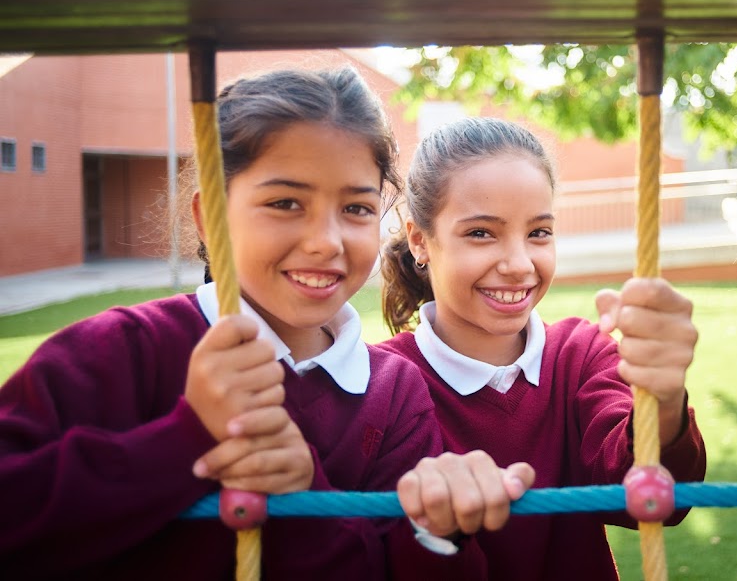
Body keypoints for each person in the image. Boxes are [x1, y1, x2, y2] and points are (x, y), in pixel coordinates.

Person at [0, 67, 532, 580]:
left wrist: (313, 502)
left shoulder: (393, 395)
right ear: (209, 218)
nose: (326, 241)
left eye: (356, 208)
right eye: (285, 202)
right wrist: (185, 438)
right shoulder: (121, 351)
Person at [377, 116, 707, 581]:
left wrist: (664, 398)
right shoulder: (382, 382)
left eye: (538, 232)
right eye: (481, 233)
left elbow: (651, 497)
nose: (519, 264)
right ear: (420, 241)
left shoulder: (581, 353)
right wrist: (437, 529)